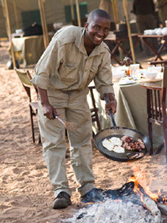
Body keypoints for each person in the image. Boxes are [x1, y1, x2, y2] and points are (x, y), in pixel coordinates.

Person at [31, 9, 117, 209]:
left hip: (78, 95)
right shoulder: (65, 38)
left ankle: (87, 188)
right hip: (52, 93)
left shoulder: (103, 50)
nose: (101, 33)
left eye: (106, 29)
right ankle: (60, 190)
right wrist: (44, 103)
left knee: (82, 141)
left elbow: (105, 81)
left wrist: (110, 98)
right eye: (97, 27)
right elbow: (41, 72)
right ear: (86, 26)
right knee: (54, 143)